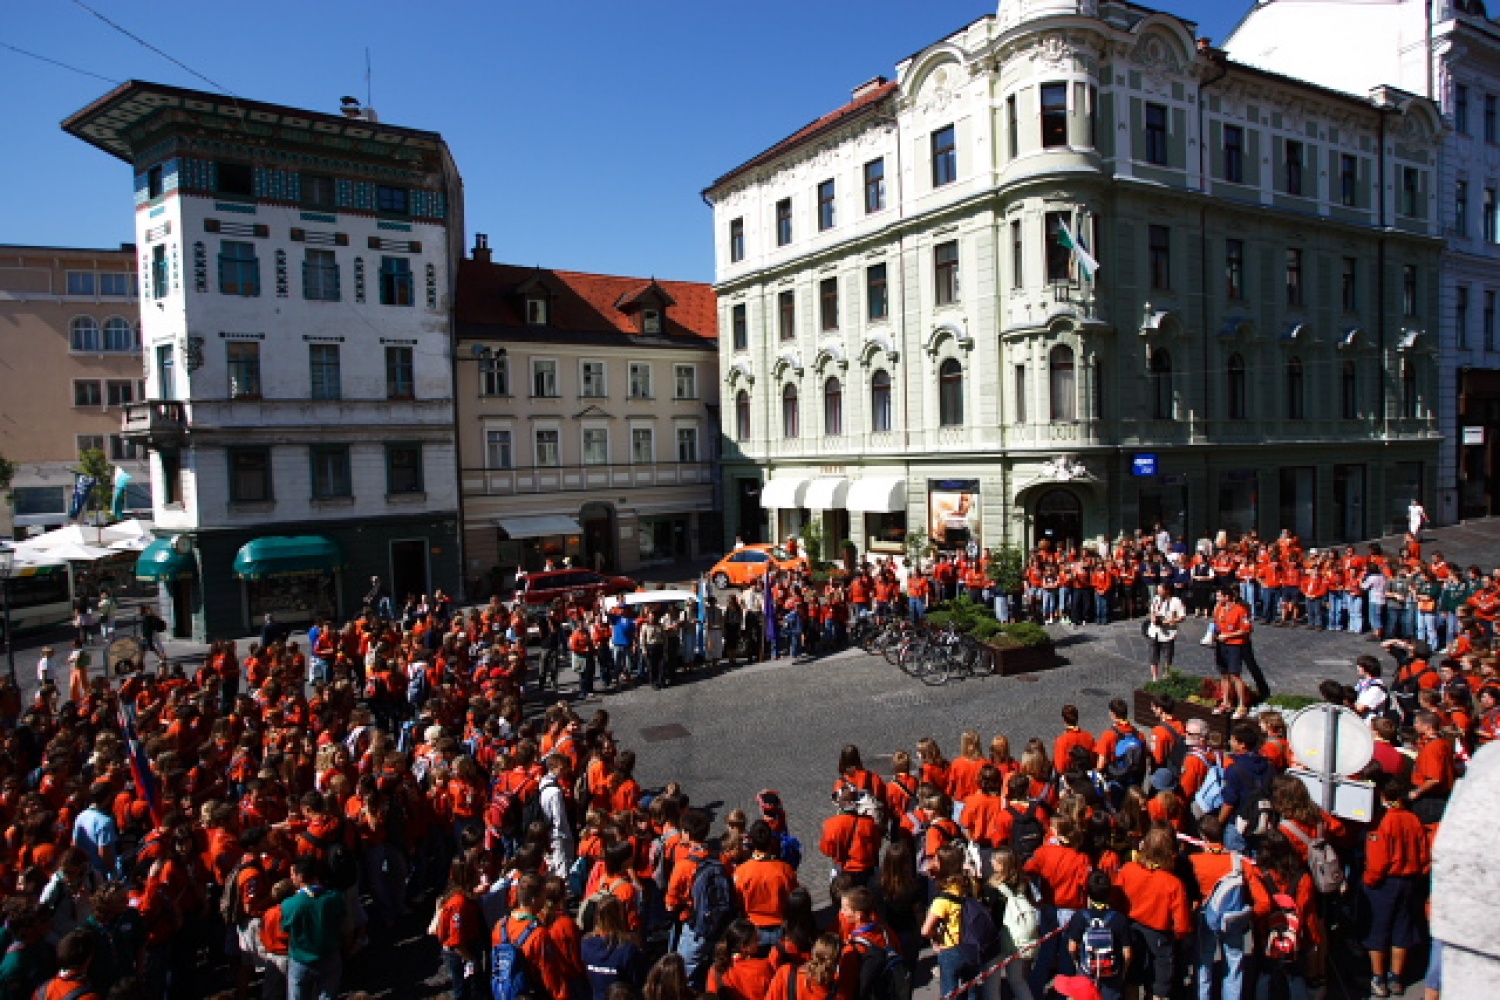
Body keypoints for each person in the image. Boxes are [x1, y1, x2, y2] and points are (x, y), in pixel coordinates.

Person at [1364, 776, 1430, 997]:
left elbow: (1378, 860)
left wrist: (1369, 880)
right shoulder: (1413, 819)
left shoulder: (1382, 821)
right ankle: (1396, 978)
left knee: (1378, 929)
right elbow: (1424, 854)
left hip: (1385, 882)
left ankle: (1378, 978)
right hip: (1409, 881)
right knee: (1403, 929)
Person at [281, 858, 349, 1000]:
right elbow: (345, 925)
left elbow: (285, 929)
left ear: (301, 877)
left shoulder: (289, 904)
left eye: (293, 874)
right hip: (329, 955)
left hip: (301, 960)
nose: (291, 878)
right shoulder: (335, 897)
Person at [1145, 583, 1185, 682]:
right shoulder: (1156, 599)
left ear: (1167, 591)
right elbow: (1152, 611)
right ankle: (1154, 678)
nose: (1158, 592)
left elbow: (1182, 616)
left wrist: (1169, 621)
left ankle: (1166, 677)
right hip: (1154, 632)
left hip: (1168, 633)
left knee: (1167, 657)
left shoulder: (1176, 601)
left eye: (1160, 590)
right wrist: (1153, 618)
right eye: (1158, 590)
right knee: (1153, 656)